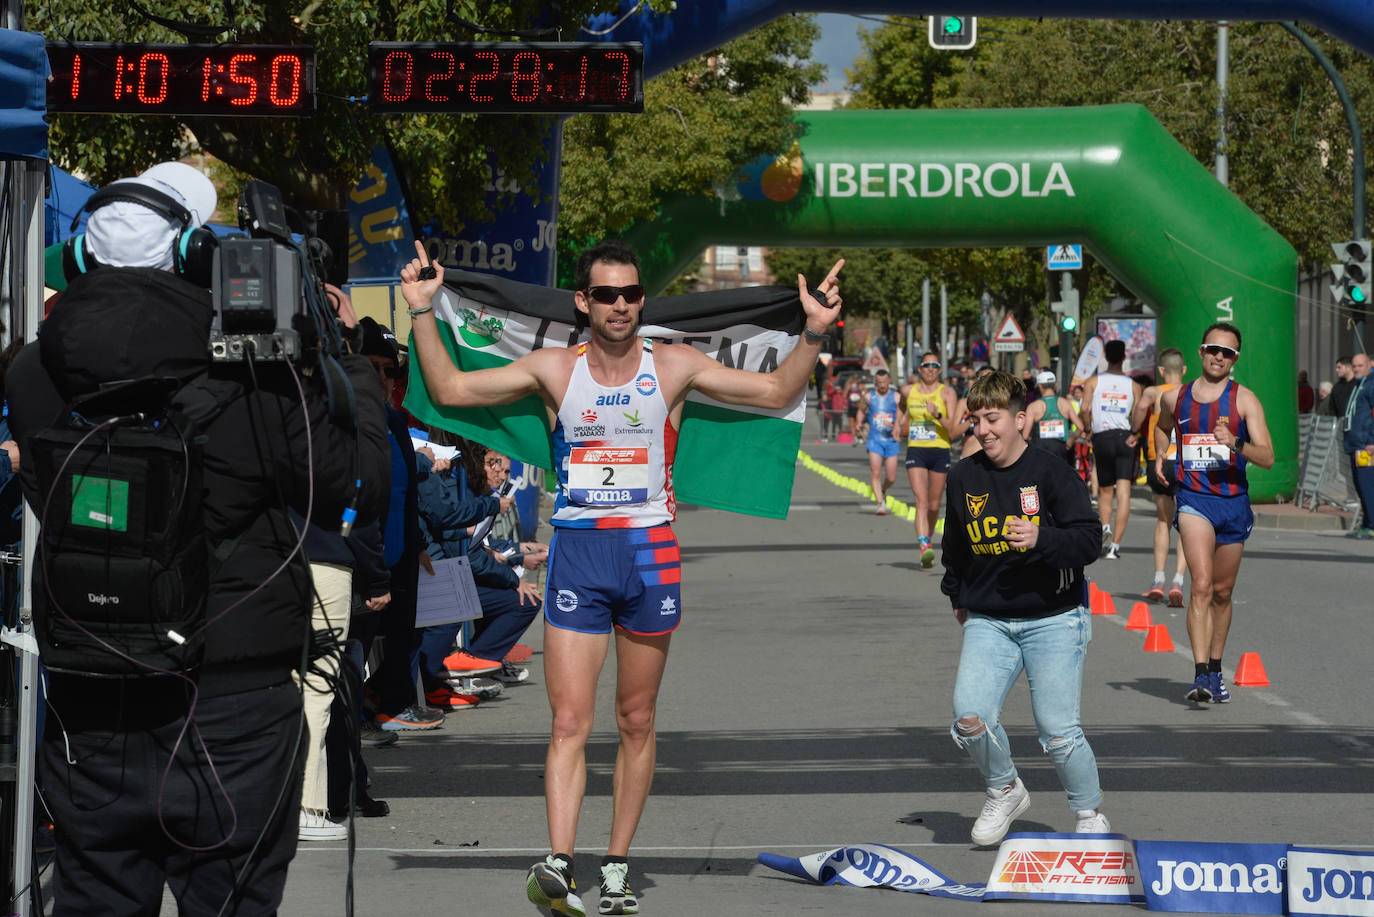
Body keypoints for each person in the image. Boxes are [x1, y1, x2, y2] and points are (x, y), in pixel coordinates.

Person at [400, 238, 842, 916]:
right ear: (583, 301)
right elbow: (454, 389)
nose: (620, 305)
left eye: (631, 294)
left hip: (648, 556)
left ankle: (615, 863)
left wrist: (813, 333)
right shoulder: (554, 368)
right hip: (579, 551)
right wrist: (424, 313)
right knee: (568, 720)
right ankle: (557, 859)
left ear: (641, 300)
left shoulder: (674, 365)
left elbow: (779, 389)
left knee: (636, 719)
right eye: (606, 294)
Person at [6, 162, 388, 916]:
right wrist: (344, 365)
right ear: (192, 255)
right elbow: (358, 485)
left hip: (92, 708)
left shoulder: (32, 372)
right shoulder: (257, 380)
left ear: (83, 257)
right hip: (233, 711)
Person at [940, 371, 1107, 846]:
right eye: (976, 421)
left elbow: (1090, 539)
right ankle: (1005, 788)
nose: (983, 430)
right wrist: (958, 596)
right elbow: (954, 547)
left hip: (1053, 616)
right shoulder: (962, 477)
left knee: (1057, 731)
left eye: (993, 420)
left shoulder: (1051, 471)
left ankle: (1090, 814)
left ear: (1019, 420)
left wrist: (1043, 538)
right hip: (989, 619)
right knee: (969, 717)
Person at [1153, 323, 1274, 704]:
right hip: (1193, 500)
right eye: (1213, 349)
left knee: (1222, 592)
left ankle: (1217, 669)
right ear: (1201, 351)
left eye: (1228, 353)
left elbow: (1268, 457)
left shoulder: (1245, 401)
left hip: (1233, 502)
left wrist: (1236, 443)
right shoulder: (1177, 399)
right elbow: (1161, 427)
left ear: (1235, 359)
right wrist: (1160, 453)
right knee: (1201, 584)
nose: (1219, 357)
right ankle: (1201, 674)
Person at [1130, 349, 1189, 606]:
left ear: (1161, 371)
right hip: (1186, 462)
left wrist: (1134, 430)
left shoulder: (1154, 391)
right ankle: (1178, 581)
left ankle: (1158, 580)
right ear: (1184, 370)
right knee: (1187, 523)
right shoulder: (1191, 392)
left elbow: (1141, 408)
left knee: (1163, 521)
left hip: (1159, 460)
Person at [1080, 339, 1143, 559]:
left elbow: (1085, 407)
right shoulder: (1133, 385)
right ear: (1124, 357)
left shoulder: (1094, 381)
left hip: (1102, 437)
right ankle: (1115, 545)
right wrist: (1134, 432)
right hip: (1125, 437)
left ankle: (1105, 526)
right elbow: (1138, 412)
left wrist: (1088, 429)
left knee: (1106, 489)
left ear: (1105, 357)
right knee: (1123, 492)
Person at [898, 352, 956, 566]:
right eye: (926, 365)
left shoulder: (948, 393)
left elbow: (952, 428)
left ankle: (929, 539)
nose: (930, 369)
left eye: (935, 365)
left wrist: (937, 415)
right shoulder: (907, 391)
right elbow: (901, 405)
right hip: (917, 450)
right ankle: (924, 546)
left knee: (933, 505)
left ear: (939, 370)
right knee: (920, 502)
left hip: (940, 450)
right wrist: (898, 423)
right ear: (919, 369)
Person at [1341, 352, 1374, 539]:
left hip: (1365, 445)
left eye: (1360, 365)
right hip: (1354, 444)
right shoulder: (1358, 384)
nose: (1356, 369)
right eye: (1354, 366)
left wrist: (1372, 440)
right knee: (1360, 485)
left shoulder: (1371, 384)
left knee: (1367, 484)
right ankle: (1366, 522)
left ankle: (1372, 524)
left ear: (1370, 365)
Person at [860, 369, 901, 514]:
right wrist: (859, 423)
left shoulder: (896, 397)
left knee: (891, 476)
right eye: (879, 383)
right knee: (875, 471)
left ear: (889, 380)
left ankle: (883, 489)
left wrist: (896, 425)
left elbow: (902, 416)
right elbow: (861, 410)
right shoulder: (868, 397)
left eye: (884, 382)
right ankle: (880, 504)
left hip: (891, 440)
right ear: (875, 382)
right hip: (874, 440)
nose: (882, 385)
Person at [1023, 370, 1084, 465]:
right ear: (1054, 385)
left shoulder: (1033, 406)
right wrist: (1070, 441)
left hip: (1040, 447)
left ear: (1040, 386)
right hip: (1060, 447)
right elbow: (1080, 427)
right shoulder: (1065, 403)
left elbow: (1025, 436)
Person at [844, 374, 864, 442]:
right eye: (854, 379)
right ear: (852, 379)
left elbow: (865, 394)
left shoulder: (860, 386)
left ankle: (859, 436)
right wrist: (849, 397)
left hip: (858, 407)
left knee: (858, 422)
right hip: (851, 406)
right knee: (852, 423)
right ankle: (854, 437)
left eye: (856, 379)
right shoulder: (849, 386)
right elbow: (844, 395)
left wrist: (861, 397)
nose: (855, 380)